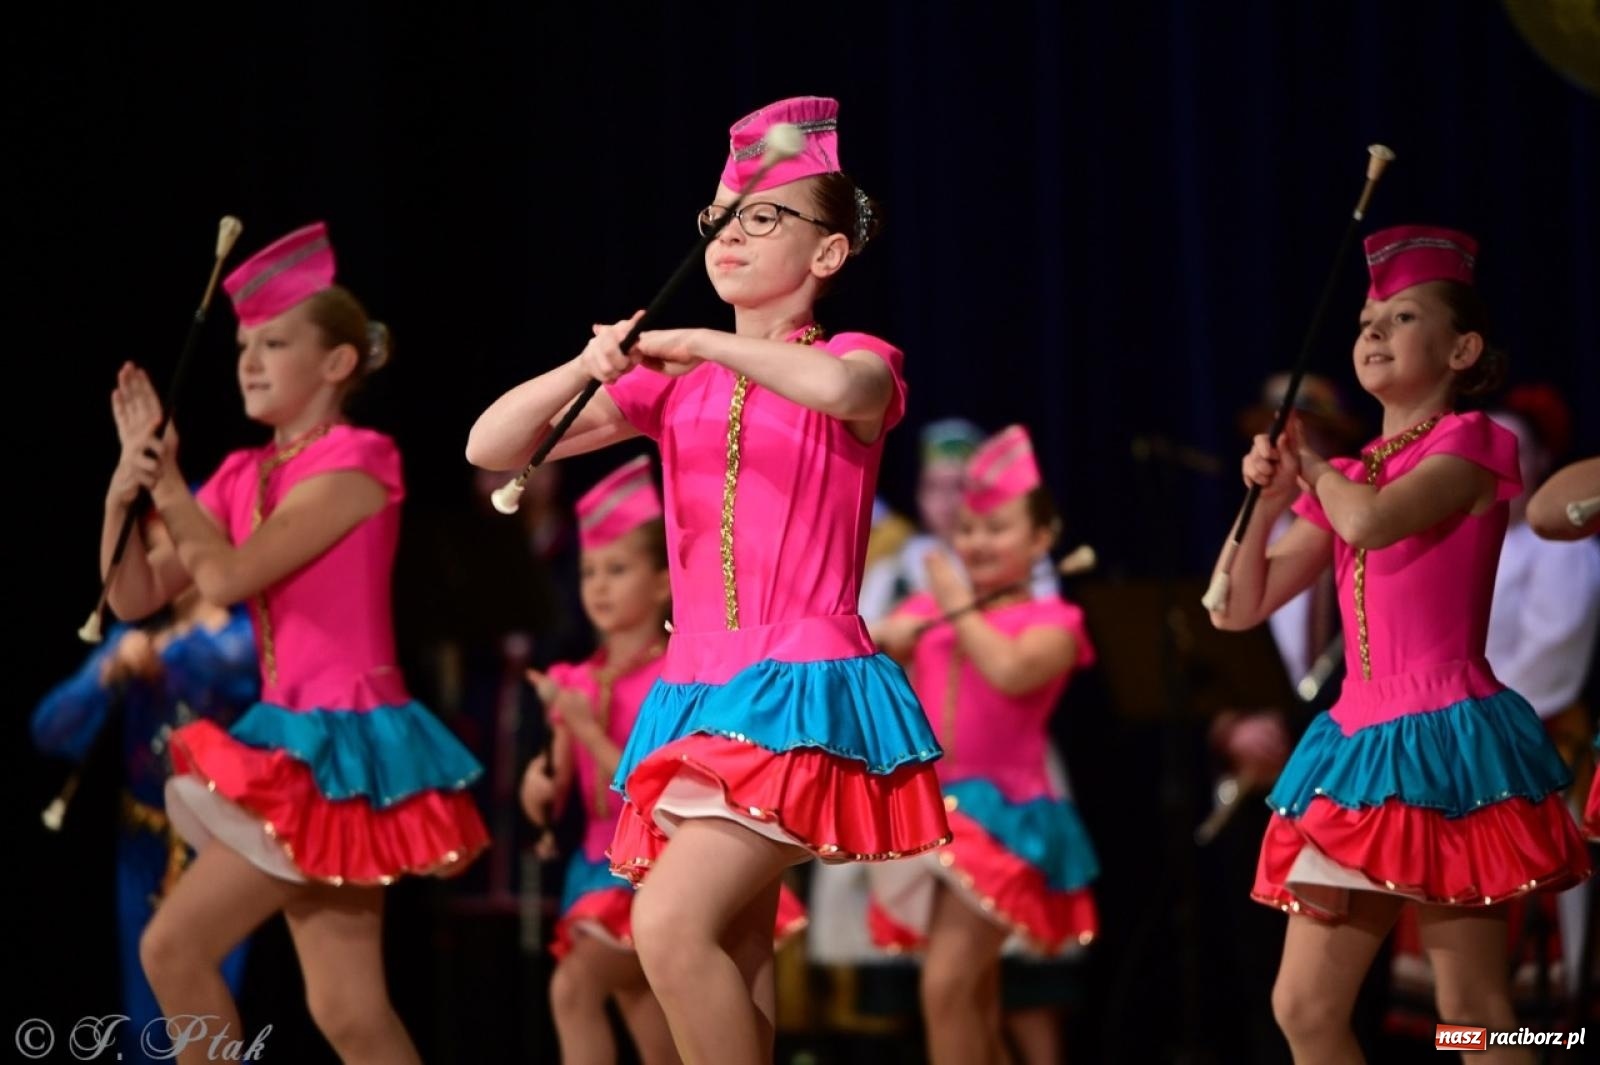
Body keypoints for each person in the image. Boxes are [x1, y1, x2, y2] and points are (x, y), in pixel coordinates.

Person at [467, 95, 951, 1063]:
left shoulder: (857, 360)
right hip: (695, 694)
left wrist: (699, 343)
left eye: (762, 216)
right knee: (733, 950)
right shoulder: (675, 388)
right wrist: (585, 364)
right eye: (720, 217)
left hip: (800, 689)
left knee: (667, 925)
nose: (729, 234)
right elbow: (491, 444)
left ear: (827, 254)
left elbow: (839, 391)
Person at [104, 221, 490, 1065]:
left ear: (338, 362)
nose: (249, 361)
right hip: (290, 740)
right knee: (349, 1010)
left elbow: (227, 578)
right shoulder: (241, 473)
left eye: (274, 343)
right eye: (244, 345)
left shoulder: (359, 461)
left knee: (174, 946)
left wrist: (168, 486)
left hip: (344, 742)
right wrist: (122, 492)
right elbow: (133, 595)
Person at [1206, 224, 1592, 1063]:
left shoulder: (1473, 442)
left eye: (1403, 315)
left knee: (1472, 1011)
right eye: (1365, 319)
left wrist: (1313, 471)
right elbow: (1235, 607)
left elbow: (1373, 523)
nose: (1374, 329)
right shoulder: (1350, 475)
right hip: (1356, 747)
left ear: (1463, 349)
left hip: (1448, 738)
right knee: (1302, 1006)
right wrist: (1266, 503)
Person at [868, 424, 1099, 1065]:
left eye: (997, 528)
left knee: (947, 988)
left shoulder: (1055, 622)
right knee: (970, 996)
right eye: (968, 528)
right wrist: (886, 641)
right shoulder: (931, 609)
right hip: (933, 811)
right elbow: (869, 647)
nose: (975, 542)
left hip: (1006, 818)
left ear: (1042, 539)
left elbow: (1010, 671)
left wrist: (953, 604)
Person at [32, 532, 259, 1065]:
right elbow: (48, 729)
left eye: (167, 548)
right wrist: (108, 671)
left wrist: (166, 655)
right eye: (147, 552)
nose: (153, 564)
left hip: (219, 849)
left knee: (211, 1003)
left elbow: (229, 665)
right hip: (143, 844)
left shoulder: (244, 638)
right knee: (143, 1017)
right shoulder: (135, 641)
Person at [518, 455, 683, 1065]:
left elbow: (650, 794)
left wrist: (585, 728)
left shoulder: (673, 680)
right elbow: (552, 791)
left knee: (573, 988)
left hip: (654, 873)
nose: (600, 587)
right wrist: (539, 782)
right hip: (591, 867)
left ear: (662, 582)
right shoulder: (577, 678)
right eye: (589, 572)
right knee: (650, 1027)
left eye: (618, 570)